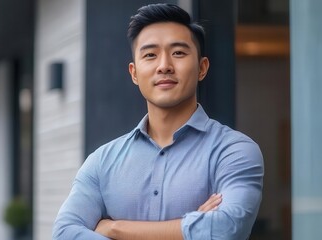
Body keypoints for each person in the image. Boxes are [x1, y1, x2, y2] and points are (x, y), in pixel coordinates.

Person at [53, 3, 264, 240]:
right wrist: (191, 229)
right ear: (134, 73)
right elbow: (65, 233)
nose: (164, 66)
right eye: (150, 55)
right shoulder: (102, 162)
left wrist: (115, 229)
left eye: (178, 53)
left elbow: (226, 229)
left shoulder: (233, 151)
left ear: (202, 68)